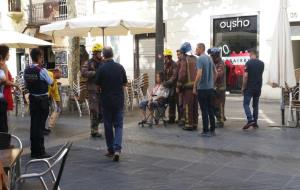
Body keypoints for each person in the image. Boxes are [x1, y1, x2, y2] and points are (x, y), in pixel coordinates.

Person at [95, 47, 127, 162]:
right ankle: (117, 149)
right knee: (118, 125)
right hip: (118, 100)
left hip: (106, 101)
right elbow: (124, 84)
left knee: (108, 125)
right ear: (113, 55)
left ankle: (110, 149)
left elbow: (97, 86)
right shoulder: (120, 67)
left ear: (103, 56)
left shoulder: (101, 69)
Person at [24, 48, 53, 158]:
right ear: (39, 57)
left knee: (34, 125)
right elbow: (50, 82)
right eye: (41, 57)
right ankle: (40, 151)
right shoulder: (42, 70)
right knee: (40, 126)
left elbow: (26, 85)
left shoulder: (27, 70)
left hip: (33, 100)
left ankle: (33, 150)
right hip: (42, 101)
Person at [194, 43, 217, 137]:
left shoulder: (200, 59)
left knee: (204, 110)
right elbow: (216, 73)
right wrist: (212, 83)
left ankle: (205, 130)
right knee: (210, 109)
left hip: (202, 89)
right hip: (210, 88)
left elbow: (199, 73)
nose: (196, 50)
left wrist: (194, 85)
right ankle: (212, 129)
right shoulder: (210, 58)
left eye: (196, 49)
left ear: (200, 49)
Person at [81, 43, 103, 138]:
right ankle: (94, 130)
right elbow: (83, 73)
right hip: (93, 90)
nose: (100, 54)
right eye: (99, 52)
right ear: (95, 53)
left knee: (102, 111)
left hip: (102, 90)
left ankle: (96, 127)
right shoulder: (88, 62)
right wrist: (95, 73)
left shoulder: (103, 62)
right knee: (94, 110)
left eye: (101, 52)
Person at [242, 48, 264, 130]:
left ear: (251, 53)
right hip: (258, 87)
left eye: (249, 53)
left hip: (249, 87)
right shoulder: (262, 63)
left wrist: (243, 87)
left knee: (245, 104)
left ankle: (250, 119)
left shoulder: (248, 63)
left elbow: (245, 76)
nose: (248, 54)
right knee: (255, 105)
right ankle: (255, 122)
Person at [178, 42, 198, 131]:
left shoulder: (184, 60)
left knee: (188, 106)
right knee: (194, 106)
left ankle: (189, 124)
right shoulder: (195, 59)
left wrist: (178, 85)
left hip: (187, 88)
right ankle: (195, 123)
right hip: (196, 87)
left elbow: (182, 74)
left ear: (183, 52)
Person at [208, 48, 226, 128]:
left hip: (220, 88)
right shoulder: (213, 63)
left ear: (216, 55)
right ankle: (220, 117)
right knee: (215, 105)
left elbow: (218, 75)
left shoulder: (220, 64)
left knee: (220, 105)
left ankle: (220, 121)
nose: (210, 56)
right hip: (214, 87)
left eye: (212, 55)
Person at [0, 45, 18, 113]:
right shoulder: (3, 65)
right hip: (4, 92)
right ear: (4, 54)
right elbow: (6, 81)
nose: (9, 55)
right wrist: (16, 85)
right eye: (8, 53)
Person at [163, 49, 177, 124]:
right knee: (166, 101)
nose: (164, 58)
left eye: (165, 57)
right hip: (167, 86)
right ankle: (168, 117)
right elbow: (165, 75)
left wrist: (167, 83)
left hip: (173, 86)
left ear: (169, 57)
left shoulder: (174, 64)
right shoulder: (165, 64)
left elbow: (174, 76)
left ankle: (172, 118)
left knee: (172, 102)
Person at [176, 49, 184, 126]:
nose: (178, 56)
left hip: (183, 86)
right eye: (177, 55)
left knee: (183, 104)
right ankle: (180, 118)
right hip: (179, 87)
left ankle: (182, 119)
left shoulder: (184, 62)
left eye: (179, 54)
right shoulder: (177, 63)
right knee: (180, 104)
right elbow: (176, 76)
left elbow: (181, 75)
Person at [0, 66, 7, 133]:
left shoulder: (1, 71)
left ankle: (3, 141)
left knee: (2, 123)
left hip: (1, 100)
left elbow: (4, 79)